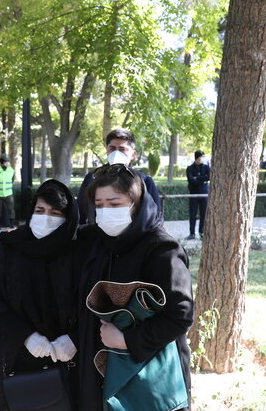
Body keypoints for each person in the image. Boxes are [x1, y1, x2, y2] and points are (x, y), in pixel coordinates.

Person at [75, 163, 193, 411]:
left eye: (115, 203)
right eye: (99, 204)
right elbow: (60, 238)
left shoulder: (162, 249)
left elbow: (180, 315)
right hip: (101, 372)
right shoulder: (97, 241)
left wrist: (127, 340)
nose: (105, 211)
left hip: (149, 377)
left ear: (136, 204)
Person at [0, 179, 79, 410]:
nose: (46, 217)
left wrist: (75, 338)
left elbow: (92, 303)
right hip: (15, 352)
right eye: (40, 210)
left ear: (68, 217)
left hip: (67, 356)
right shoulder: (11, 246)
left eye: (56, 212)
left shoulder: (80, 251)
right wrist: (26, 336)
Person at [77, 128, 161, 224]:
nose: (116, 153)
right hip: (97, 235)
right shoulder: (92, 178)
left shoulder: (144, 181)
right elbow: (81, 212)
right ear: (107, 150)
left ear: (133, 154)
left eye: (122, 149)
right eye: (112, 148)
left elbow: (155, 217)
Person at [186, 150, 210, 240]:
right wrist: (202, 180)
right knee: (193, 213)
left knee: (203, 213)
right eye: (201, 157)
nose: (203, 159)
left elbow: (209, 177)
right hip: (194, 193)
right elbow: (191, 180)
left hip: (204, 193)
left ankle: (201, 232)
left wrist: (198, 177)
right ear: (197, 158)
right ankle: (192, 233)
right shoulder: (190, 168)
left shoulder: (206, 167)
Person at [0, 154, 15, 228]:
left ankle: (11, 223)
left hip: (8, 193)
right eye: (6, 161)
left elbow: (12, 180)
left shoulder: (11, 170)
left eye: (8, 161)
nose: (7, 162)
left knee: (11, 209)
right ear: (2, 162)